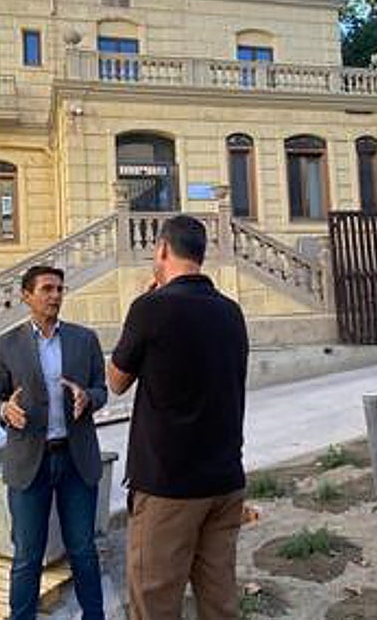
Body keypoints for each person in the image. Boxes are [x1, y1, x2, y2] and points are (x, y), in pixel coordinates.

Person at [107, 215, 250, 620]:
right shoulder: (231, 312)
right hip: (224, 482)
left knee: (155, 602)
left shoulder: (150, 308)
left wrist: (142, 309)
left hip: (169, 488)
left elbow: (116, 381)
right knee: (220, 602)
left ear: (163, 250)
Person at [0, 265, 107, 620]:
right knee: (27, 555)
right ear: (26, 296)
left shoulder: (85, 340)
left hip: (76, 459)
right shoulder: (7, 344)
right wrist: (5, 410)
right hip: (29, 463)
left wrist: (89, 398)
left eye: (59, 289)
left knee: (83, 549)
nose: (55, 296)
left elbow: (102, 389)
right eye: (47, 289)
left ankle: (94, 616)